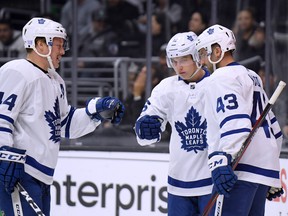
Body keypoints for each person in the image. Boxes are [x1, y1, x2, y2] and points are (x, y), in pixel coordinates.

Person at [0, 17, 125, 215]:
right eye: (58, 44)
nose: (62, 51)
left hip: (42, 176)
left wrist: (96, 113)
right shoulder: (17, 71)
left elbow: (64, 125)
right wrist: (5, 157)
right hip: (17, 171)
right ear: (39, 44)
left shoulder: (56, 80)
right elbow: (2, 118)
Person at [195, 24, 283, 215]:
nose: (201, 61)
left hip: (238, 169)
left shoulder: (221, 77)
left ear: (217, 51)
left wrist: (221, 162)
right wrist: (270, 170)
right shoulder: (251, 76)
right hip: (261, 171)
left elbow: (235, 123)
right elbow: (275, 130)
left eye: (203, 53)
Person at [134, 32, 213, 215]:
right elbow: (143, 134)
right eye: (174, 61)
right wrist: (145, 128)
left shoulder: (216, 85)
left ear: (197, 56)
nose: (179, 66)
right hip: (178, 184)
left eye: (184, 59)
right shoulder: (166, 88)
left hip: (211, 181)